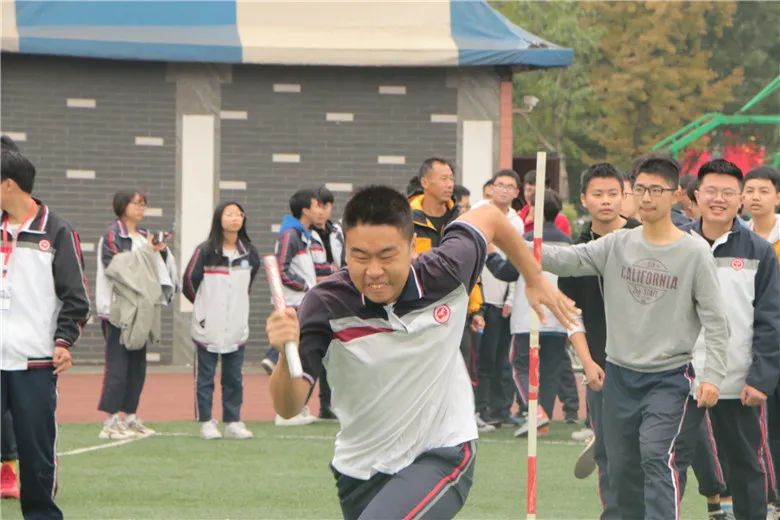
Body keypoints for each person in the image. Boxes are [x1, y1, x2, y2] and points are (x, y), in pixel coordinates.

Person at [265, 185, 578, 520]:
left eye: (387, 256)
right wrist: (286, 351)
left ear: (412, 247)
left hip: (441, 450)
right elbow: (288, 406)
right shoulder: (325, 304)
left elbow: (489, 216)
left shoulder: (446, 272)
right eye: (359, 256)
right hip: (359, 469)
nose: (373, 271)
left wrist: (533, 277)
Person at [490, 154, 730, 519]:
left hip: (670, 378)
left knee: (655, 455)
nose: (647, 198)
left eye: (656, 190)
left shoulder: (694, 251)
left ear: (675, 194)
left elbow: (716, 321)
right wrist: (507, 241)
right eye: (640, 189)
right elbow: (564, 259)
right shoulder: (616, 244)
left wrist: (712, 375)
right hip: (619, 376)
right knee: (619, 466)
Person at [674, 159, 780, 520]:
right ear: (696, 195)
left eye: (728, 193)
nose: (718, 199)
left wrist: (761, 379)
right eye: (711, 191)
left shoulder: (759, 252)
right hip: (680, 377)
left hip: (737, 380)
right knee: (670, 461)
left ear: (740, 200)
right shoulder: (676, 244)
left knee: (747, 465)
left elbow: (770, 321)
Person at [1, 142, 90, 518]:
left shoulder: (57, 231)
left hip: (35, 363)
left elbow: (76, 297)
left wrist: (64, 341)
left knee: (37, 454)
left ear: (8, 186)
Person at [558, 163, 641, 518]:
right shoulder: (577, 252)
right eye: (598, 194)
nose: (606, 201)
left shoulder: (644, 238)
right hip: (603, 368)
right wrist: (588, 363)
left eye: (612, 194)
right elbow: (571, 315)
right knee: (609, 453)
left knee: (650, 450)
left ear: (624, 196)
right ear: (583, 199)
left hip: (650, 364)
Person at [490, 190, 574, 437]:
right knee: (550, 369)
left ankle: (536, 413)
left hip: (528, 315)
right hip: (558, 317)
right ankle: (542, 418)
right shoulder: (569, 242)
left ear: (535, 210)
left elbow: (505, 272)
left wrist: (490, 254)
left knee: (520, 364)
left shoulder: (527, 240)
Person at [95, 190, 178, 439]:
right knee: (118, 365)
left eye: (144, 204)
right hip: (118, 309)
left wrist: (160, 251)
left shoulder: (144, 237)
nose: (141, 208)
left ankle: (130, 417)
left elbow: (160, 268)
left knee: (137, 366)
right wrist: (148, 253)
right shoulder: (112, 235)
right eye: (137, 204)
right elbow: (117, 267)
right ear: (122, 206)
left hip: (143, 309)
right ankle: (110, 422)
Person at [182, 202, 261, 440]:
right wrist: (204, 307)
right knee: (205, 377)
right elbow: (188, 282)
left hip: (236, 324)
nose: (235, 218)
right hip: (209, 325)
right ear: (219, 219)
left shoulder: (249, 252)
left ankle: (233, 420)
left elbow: (249, 281)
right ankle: (206, 421)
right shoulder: (205, 251)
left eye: (239, 214)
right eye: (229, 214)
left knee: (234, 377)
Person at [265, 189, 324, 426]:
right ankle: (286, 411)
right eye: (317, 206)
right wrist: (306, 286)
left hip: (304, 301)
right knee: (295, 352)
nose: (321, 211)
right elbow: (282, 270)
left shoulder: (306, 235)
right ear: (305, 209)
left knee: (303, 354)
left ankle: (298, 407)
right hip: (292, 304)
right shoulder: (290, 235)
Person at [471, 170, 523, 427]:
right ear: (491, 188)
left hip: (505, 300)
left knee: (504, 358)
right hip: (481, 299)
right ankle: (481, 409)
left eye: (509, 186)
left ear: (516, 192)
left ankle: (502, 409)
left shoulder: (517, 222)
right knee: (484, 358)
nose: (503, 190)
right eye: (499, 185)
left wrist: (512, 299)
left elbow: (517, 262)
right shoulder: (479, 211)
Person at [312, 186, 344, 420]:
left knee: (334, 354)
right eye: (318, 206)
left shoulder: (336, 231)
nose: (322, 212)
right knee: (315, 350)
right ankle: (306, 405)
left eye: (326, 206)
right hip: (315, 298)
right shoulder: (305, 234)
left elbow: (342, 261)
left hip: (336, 297)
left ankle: (329, 404)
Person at [518, 170, 571, 236]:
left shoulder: (560, 220)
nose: (533, 195)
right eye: (529, 190)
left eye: (537, 191)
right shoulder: (518, 217)